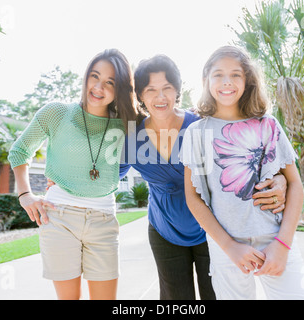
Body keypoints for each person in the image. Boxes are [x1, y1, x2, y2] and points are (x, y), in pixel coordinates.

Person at [119, 54, 289, 300]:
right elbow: (107, 176)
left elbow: (250, 160)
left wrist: (281, 179)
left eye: (167, 88)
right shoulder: (131, 138)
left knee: (215, 295)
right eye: (151, 90)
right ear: (141, 96)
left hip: (213, 229)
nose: (160, 97)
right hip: (165, 230)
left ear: (177, 90)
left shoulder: (201, 124)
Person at [183, 46, 304, 300]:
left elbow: (295, 185)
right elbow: (193, 198)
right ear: (205, 80)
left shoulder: (268, 124)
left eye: (236, 75)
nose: (227, 82)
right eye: (218, 74)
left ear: (248, 81)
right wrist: (230, 247)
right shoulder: (196, 133)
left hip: (276, 240)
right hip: (227, 248)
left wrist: (282, 245)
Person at [8, 49, 137, 300]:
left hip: (103, 219)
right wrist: (25, 195)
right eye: (94, 76)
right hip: (59, 218)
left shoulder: (125, 124)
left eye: (109, 82)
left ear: (119, 89)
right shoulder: (57, 113)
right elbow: (20, 151)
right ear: (85, 77)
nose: (98, 87)